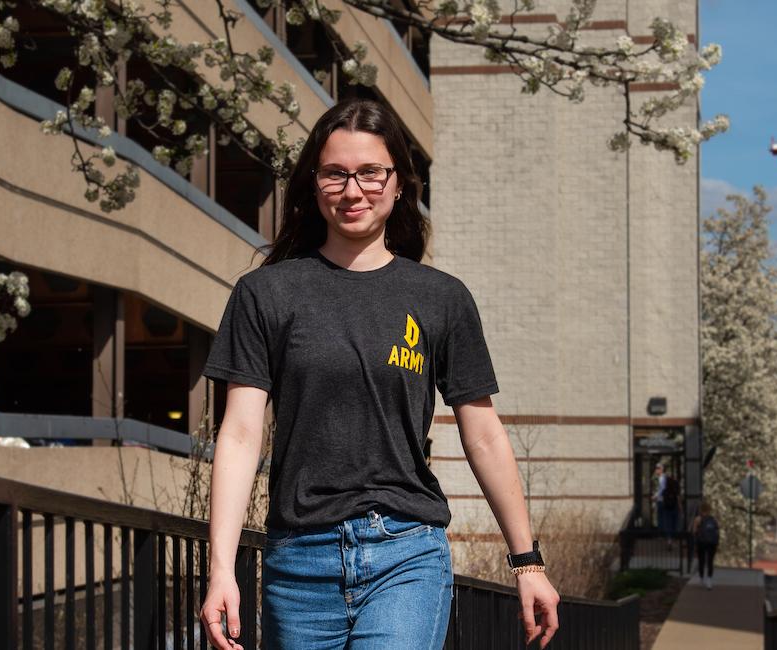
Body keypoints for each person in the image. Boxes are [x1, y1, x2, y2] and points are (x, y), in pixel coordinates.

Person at [198, 99, 560, 650]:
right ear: (313, 183)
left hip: (406, 553)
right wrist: (221, 568)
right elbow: (242, 433)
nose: (353, 190)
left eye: (370, 172)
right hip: (298, 561)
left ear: (396, 184)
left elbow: (483, 433)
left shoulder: (440, 298)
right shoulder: (265, 295)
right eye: (335, 173)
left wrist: (527, 562)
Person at [690, 501, 719, 589]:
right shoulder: (713, 519)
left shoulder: (698, 519)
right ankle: (709, 580)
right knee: (710, 561)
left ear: (700, 509)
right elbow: (717, 531)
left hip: (701, 542)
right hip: (712, 543)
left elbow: (694, 531)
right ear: (709, 510)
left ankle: (701, 578)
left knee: (701, 560)